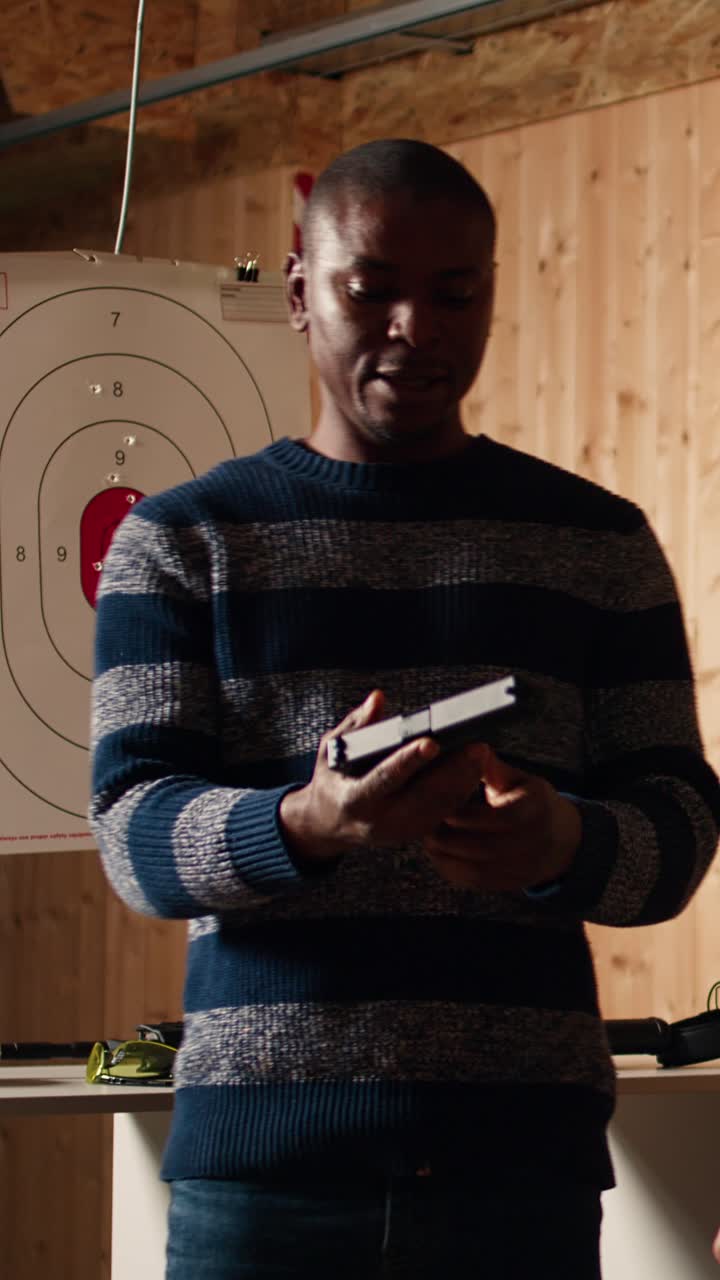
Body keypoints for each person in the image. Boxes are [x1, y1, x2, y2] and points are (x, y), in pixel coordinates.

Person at [89, 138, 720, 1279]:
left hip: (517, 1168)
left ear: (489, 299)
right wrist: (306, 826)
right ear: (298, 293)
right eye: (369, 287)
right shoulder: (182, 541)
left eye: (454, 293)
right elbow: (133, 832)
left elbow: (677, 831)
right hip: (265, 1181)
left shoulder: (597, 544)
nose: (414, 328)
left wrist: (562, 839)